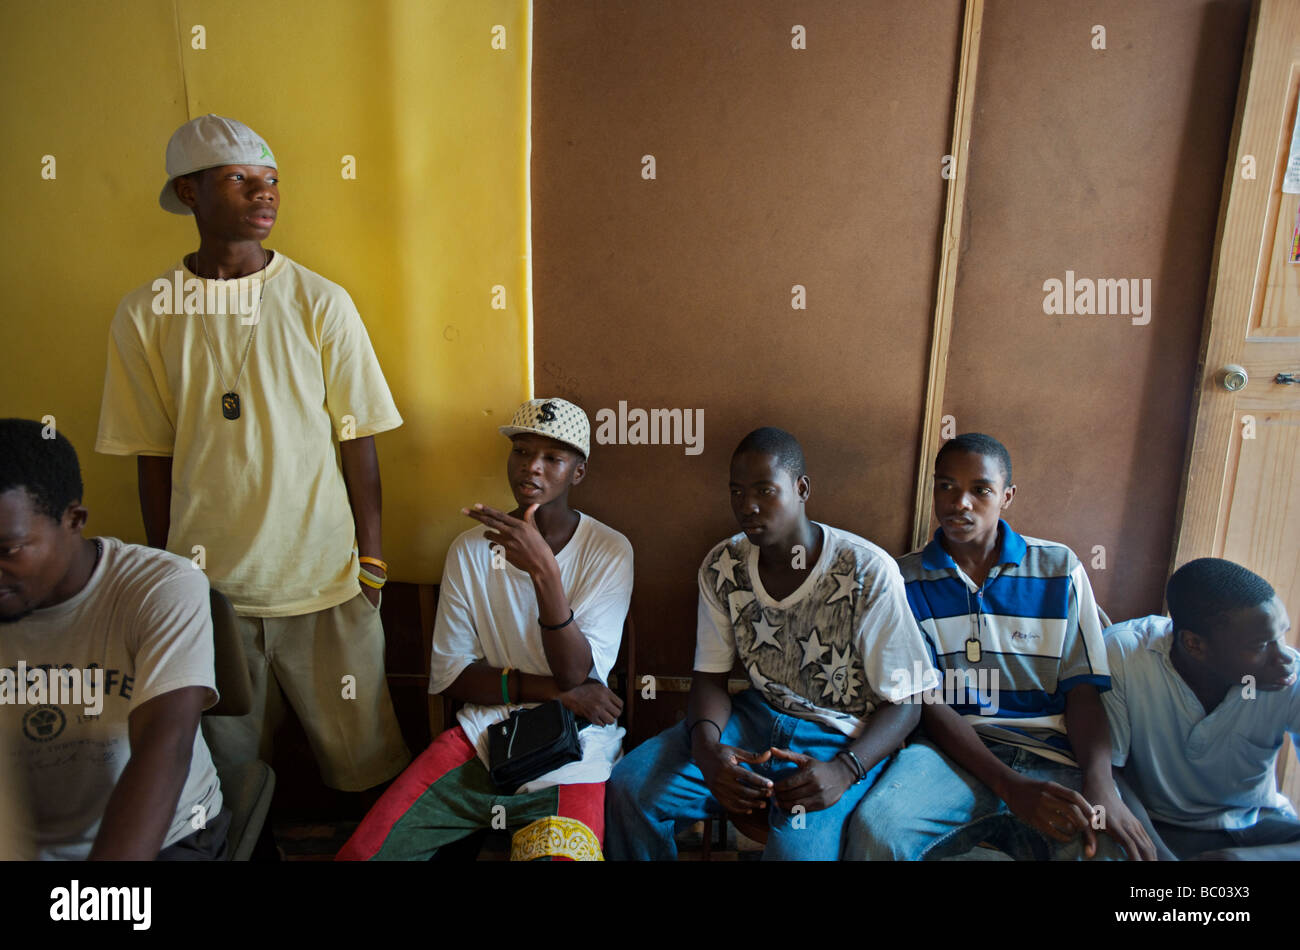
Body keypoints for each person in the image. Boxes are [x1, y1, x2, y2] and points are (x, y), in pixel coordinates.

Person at [94, 114, 409, 794]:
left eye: (270, 182)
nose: (263, 195)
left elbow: (358, 436)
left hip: (326, 579)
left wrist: (373, 559)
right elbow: (150, 455)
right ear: (188, 194)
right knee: (227, 779)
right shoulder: (146, 313)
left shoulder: (319, 301)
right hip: (212, 592)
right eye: (239, 180)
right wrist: (166, 573)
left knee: (367, 768)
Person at [604, 427, 938, 860]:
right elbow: (710, 679)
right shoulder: (724, 567)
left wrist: (845, 769)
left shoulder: (865, 571)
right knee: (630, 789)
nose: (749, 507)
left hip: (837, 737)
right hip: (755, 720)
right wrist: (706, 751)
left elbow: (909, 702)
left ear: (801, 488)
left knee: (797, 852)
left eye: (765, 490)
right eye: (737, 493)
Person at [337, 398, 633, 860]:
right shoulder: (469, 549)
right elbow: (453, 676)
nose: (531, 468)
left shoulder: (610, 550)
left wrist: (544, 573)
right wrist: (556, 692)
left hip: (574, 750)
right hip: (483, 738)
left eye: (552, 458)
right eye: (521, 451)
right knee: (364, 853)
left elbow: (577, 673)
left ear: (578, 472)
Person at [847, 432, 1154, 860]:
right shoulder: (903, 580)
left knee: (1112, 848)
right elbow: (927, 703)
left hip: (1053, 756)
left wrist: (1102, 786)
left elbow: (1084, 692)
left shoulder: (1058, 568)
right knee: (876, 832)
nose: (960, 503)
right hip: (951, 757)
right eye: (947, 486)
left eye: (981, 490)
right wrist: (1009, 785)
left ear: (1007, 496)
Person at [0, 418, 226, 859]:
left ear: (74, 520)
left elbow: (166, 744)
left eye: (9, 551)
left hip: (165, 840)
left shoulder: (160, 586)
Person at [1103, 557, 1300, 860]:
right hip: (1160, 828)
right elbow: (1108, 774)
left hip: (1260, 825)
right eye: (1261, 645)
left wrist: (1234, 860)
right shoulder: (1124, 656)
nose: (1284, 657)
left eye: (1282, 634)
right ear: (1194, 645)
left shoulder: (1291, 677)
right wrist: (1158, 856)